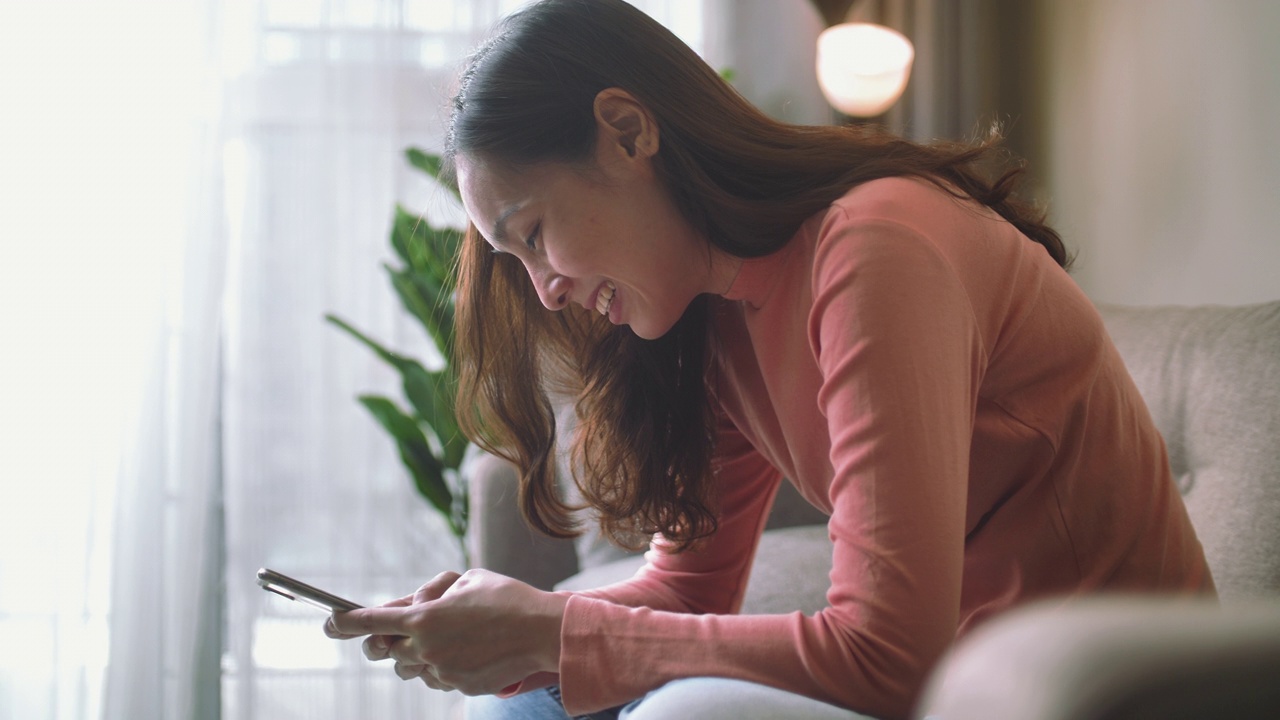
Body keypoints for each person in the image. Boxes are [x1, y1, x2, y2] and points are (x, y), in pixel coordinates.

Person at [325, 1, 1215, 718]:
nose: (545, 290)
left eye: (534, 235)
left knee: (687, 716)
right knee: (523, 713)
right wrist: (508, 632)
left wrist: (557, 628)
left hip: (1098, 686)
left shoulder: (878, 247)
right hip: (960, 682)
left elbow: (888, 658)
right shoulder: (708, 318)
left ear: (628, 131)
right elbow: (689, 589)